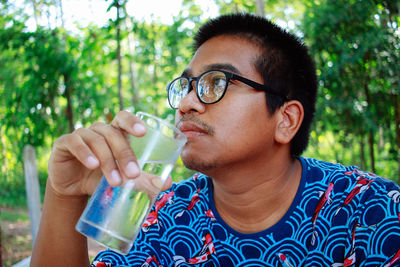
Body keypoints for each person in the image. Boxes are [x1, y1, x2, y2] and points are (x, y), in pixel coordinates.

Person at [31, 13, 400, 266]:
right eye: (186, 86)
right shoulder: (164, 213)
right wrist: (64, 194)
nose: (187, 104)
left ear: (286, 120)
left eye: (216, 83)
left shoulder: (370, 211)